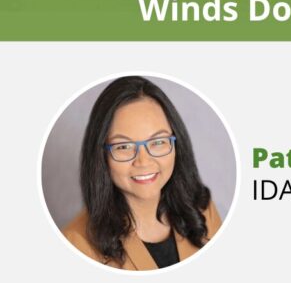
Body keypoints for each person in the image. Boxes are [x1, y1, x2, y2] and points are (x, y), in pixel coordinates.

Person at [63, 76, 221, 270]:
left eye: (158, 142)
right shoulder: (76, 245)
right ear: (100, 154)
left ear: (176, 144)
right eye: (124, 146)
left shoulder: (201, 209)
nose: (144, 161)